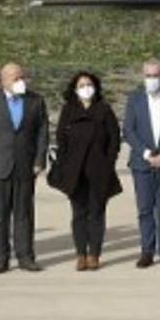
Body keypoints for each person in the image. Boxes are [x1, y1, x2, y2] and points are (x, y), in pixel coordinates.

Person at [0, 62, 49, 273]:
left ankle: (25, 256)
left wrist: (39, 160)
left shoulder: (35, 100)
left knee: (24, 214)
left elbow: (42, 133)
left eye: (22, 77)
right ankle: (0, 258)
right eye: (15, 78)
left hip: (26, 166)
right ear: (4, 80)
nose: (20, 81)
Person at [51, 72, 123, 271]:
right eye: (81, 85)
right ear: (75, 89)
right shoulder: (69, 110)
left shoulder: (104, 110)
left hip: (99, 170)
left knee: (97, 213)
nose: (86, 88)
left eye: (89, 84)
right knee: (79, 214)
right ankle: (81, 254)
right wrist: (66, 163)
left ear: (96, 87)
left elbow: (114, 139)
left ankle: (94, 254)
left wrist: (109, 162)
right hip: (75, 171)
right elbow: (61, 140)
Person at [121, 58, 160, 269]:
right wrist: (147, 153)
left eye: (155, 75)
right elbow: (129, 131)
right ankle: (147, 251)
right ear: (143, 76)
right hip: (142, 163)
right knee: (145, 209)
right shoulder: (134, 100)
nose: (152, 80)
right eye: (148, 76)